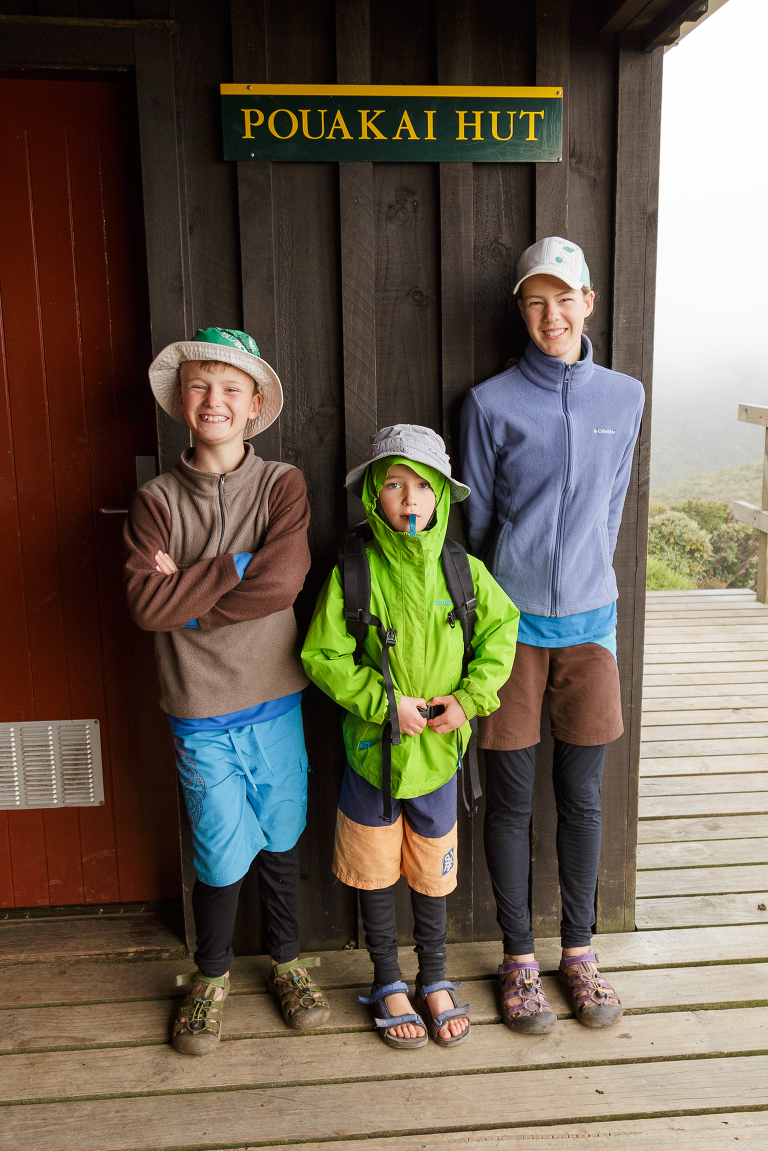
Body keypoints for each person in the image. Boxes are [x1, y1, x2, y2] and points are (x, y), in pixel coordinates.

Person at [124, 327, 329, 1055]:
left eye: (230, 389)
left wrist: (186, 584)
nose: (214, 400)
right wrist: (224, 573)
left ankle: (288, 962)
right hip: (197, 709)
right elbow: (146, 607)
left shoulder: (282, 484)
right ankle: (209, 978)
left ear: (255, 404)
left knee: (280, 836)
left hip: (275, 697)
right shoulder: (155, 499)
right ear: (184, 401)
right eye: (202, 387)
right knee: (217, 849)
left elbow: (284, 580)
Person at [460, 237, 644, 1033]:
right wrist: (505, 600)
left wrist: (584, 579)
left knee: (580, 797)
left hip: (592, 630)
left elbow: (612, 506)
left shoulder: (625, 397)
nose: (551, 315)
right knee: (508, 801)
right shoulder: (489, 402)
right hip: (512, 633)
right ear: (521, 309)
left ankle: (579, 952)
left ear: (588, 302)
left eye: (564, 298)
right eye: (536, 301)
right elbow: (474, 524)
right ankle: (517, 959)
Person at [302, 425, 518, 1049]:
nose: (408, 498)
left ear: (442, 498)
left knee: (430, 866)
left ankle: (436, 976)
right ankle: (388, 979)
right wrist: (382, 704)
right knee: (373, 868)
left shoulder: (463, 570)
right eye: (393, 483)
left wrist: (468, 701)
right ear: (373, 493)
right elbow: (323, 653)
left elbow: (502, 634)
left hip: (438, 757)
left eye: (422, 486)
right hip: (372, 753)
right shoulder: (354, 569)